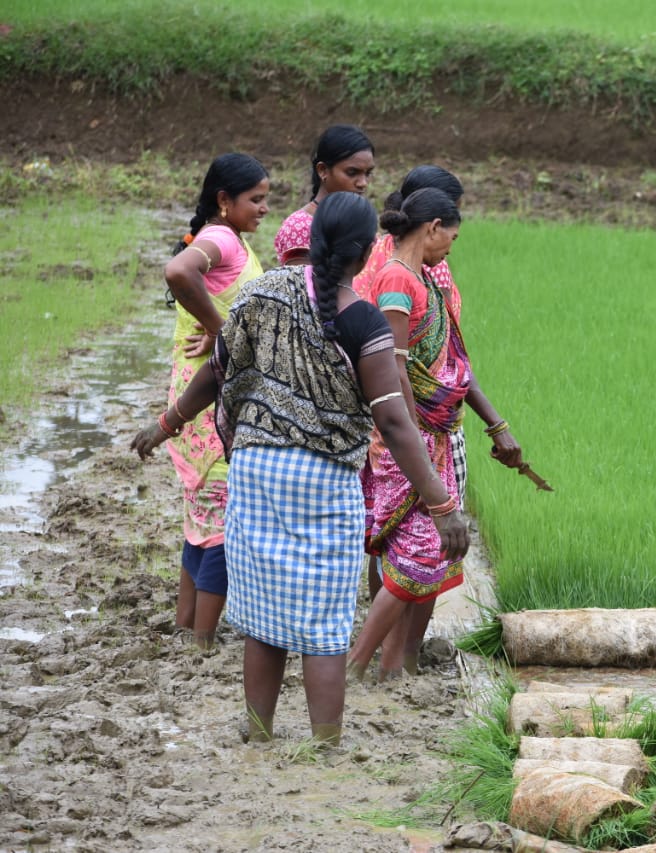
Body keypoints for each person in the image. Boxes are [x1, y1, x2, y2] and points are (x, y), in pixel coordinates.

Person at [132, 192, 467, 746]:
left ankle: (259, 732)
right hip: (325, 480)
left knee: (261, 620)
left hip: (256, 473)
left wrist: (165, 423)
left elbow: (217, 372)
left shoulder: (261, 294)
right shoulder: (361, 319)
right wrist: (441, 504)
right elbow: (397, 425)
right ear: (363, 256)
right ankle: (325, 745)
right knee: (325, 624)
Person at [353, 167, 523, 676]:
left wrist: (488, 425)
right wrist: (418, 440)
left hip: (430, 432)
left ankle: (390, 668)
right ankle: (360, 665)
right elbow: (395, 370)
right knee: (419, 551)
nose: (453, 244)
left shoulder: (422, 276)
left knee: (423, 552)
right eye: (452, 233)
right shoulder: (396, 280)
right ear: (431, 227)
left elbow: (446, 361)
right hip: (408, 436)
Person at [161, 152, 269, 650]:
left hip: (202, 395)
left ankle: (188, 624)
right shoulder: (221, 238)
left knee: (203, 519)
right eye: (256, 199)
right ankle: (202, 640)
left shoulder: (229, 238)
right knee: (225, 524)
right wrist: (220, 329)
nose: (264, 208)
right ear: (224, 201)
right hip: (211, 404)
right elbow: (179, 272)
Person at [273, 124, 375, 266]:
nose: (363, 183)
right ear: (323, 170)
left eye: (368, 173)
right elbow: (301, 286)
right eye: (352, 173)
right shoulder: (301, 227)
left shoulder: (361, 222)